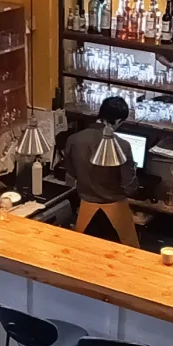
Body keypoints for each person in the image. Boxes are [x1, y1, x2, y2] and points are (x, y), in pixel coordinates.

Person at [64, 96, 140, 246]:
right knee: (127, 256)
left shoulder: (74, 139)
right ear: (118, 121)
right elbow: (129, 187)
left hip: (85, 209)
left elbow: (71, 172)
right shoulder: (122, 146)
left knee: (83, 252)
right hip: (116, 212)